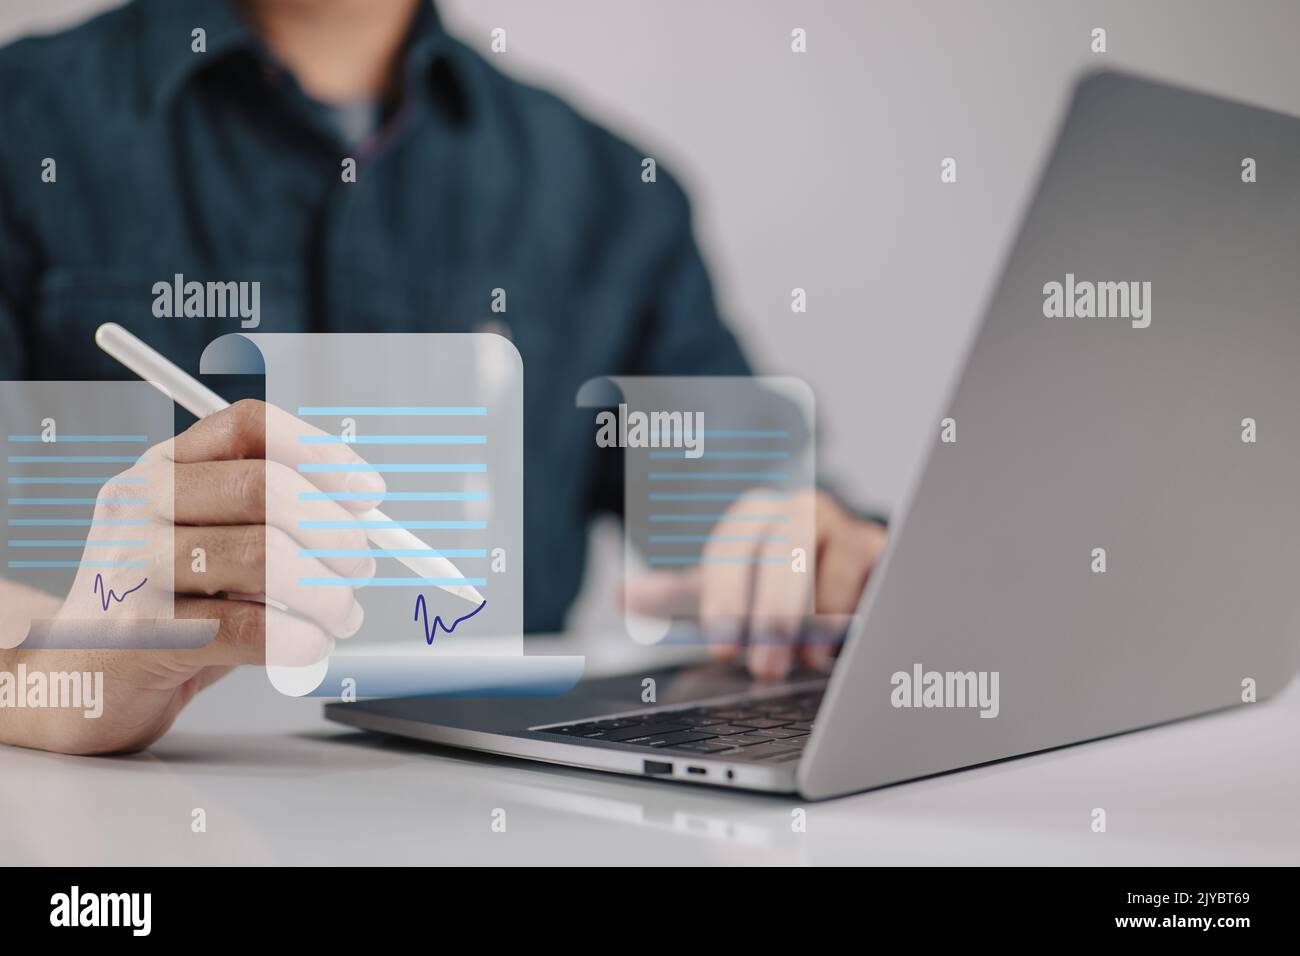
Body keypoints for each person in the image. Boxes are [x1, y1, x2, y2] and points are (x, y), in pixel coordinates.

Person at [0, 0, 887, 754]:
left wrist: (811, 555)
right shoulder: (24, 126)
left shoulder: (612, 195)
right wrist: (56, 677)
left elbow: (750, 513)